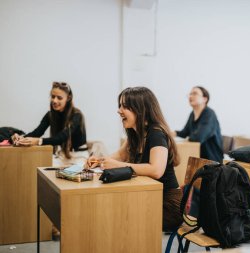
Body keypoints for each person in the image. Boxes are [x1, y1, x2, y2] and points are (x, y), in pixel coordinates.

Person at [86, 86, 182, 231]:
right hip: (150, 197)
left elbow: (156, 170)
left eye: (125, 106)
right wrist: (98, 161)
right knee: (113, 211)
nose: (119, 111)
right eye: (120, 106)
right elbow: (120, 155)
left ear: (140, 109)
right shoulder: (135, 133)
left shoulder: (156, 134)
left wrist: (117, 165)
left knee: (118, 215)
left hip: (168, 204)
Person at [11, 82, 88, 166]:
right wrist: (19, 138)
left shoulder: (77, 115)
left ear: (68, 98)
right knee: (40, 168)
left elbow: (61, 137)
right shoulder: (50, 115)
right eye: (53, 96)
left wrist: (38, 141)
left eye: (59, 98)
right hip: (62, 156)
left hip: (79, 156)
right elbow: (37, 133)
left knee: (73, 174)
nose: (54, 100)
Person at [173, 86, 223, 163]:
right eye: (190, 94)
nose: (191, 96)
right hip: (197, 155)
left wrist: (188, 139)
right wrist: (174, 133)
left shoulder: (209, 114)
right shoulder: (192, 114)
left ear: (205, 99)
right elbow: (185, 132)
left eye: (195, 93)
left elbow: (199, 137)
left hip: (211, 160)